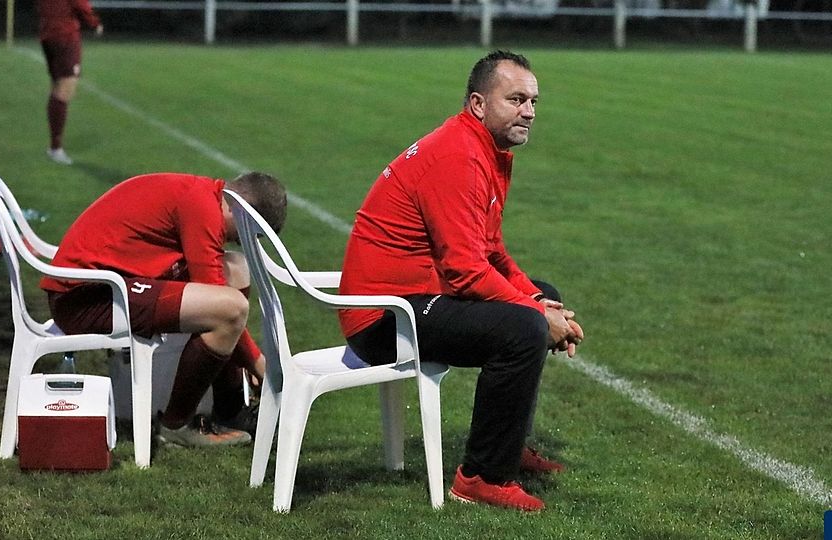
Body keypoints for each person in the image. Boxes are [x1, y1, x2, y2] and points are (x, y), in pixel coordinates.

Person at [339, 50, 583, 512]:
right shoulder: (459, 156)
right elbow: (466, 272)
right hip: (382, 319)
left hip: (413, 299)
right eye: (515, 99)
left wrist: (537, 301)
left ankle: (506, 448)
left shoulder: (482, 150)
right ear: (477, 104)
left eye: (533, 101)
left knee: (542, 296)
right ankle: (481, 478)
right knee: (524, 327)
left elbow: (492, 251)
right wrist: (536, 316)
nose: (529, 111)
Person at [40, 171, 287, 447]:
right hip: (83, 298)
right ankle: (177, 424)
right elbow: (223, 304)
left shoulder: (205, 197)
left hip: (106, 284)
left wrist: (250, 360)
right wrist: (259, 364)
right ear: (239, 209)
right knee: (230, 310)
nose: (243, 241)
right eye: (251, 232)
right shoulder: (202, 209)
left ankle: (230, 412)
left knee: (236, 269)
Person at [37, 0, 104, 165]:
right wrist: (94, 23)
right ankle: (56, 148)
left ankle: (54, 145)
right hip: (64, 35)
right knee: (65, 89)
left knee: (57, 87)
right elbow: (80, 4)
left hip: (48, 33)